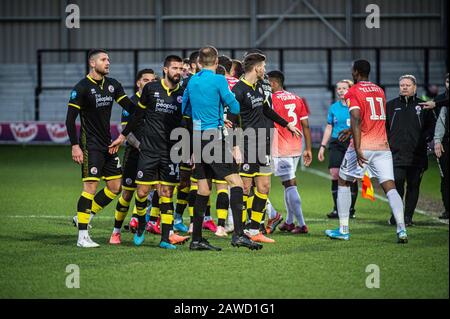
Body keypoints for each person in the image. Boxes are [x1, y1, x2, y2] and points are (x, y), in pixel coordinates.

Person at [182, 45, 262, 251]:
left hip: (198, 138)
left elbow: (186, 110)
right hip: (214, 138)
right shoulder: (219, 80)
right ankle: (238, 234)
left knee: (203, 189)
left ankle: (197, 239)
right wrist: (221, 113)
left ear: (198, 62)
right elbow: (234, 107)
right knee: (236, 183)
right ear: (217, 63)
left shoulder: (192, 80)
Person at [109, 55, 190, 250]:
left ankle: (164, 238)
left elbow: (186, 123)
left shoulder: (185, 93)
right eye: (174, 68)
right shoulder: (151, 89)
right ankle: (141, 224)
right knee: (143, 191)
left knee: (166, 192)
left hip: (171, 151)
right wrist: (123, 136)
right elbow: (138, 116)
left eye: (180, 68)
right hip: (149, 149)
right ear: (165, 69)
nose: (178, 72)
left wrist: (189, 149)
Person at [325, 59, 408, 244]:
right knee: (390, 186)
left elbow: (355, 117)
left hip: (362, 146)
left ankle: (343, 229)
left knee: (343, 181)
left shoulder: (353, 91)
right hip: (382, 146)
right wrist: (350, 130)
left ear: (355, 72)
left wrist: (358, 146)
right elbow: (369, 117)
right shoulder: (379, 90)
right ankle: (401, 229)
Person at [66, 49, 137, 248]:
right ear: (92, 63)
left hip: (108, 145)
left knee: (115, 187)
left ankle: (83, 216)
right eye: (103, 59)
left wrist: (126, 131)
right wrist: (75, 146)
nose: (108, 62)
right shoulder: (81, 88)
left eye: (108, 59)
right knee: (90, 188)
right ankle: (82, 237)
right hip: (91, 146)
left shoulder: (113, 85)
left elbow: (131, 109)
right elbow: (70, 120)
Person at [231, 52, 301, 243]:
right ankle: (242, 227)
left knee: (264, 186)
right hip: (246, 144)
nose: (265, 69)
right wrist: (235, 146)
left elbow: (266, 110)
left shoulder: (259, 87)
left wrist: (287, 124)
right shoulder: (238, 90)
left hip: (263, 144)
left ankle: (254, 230)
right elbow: (231, 121)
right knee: (245, 188)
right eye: (264, 66)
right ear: (256, 68)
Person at [110, 69, 157, 244]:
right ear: (138, 83)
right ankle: (116, 232)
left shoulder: (155, 101)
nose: (149, 83)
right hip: (133, 154)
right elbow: (126, 131)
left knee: (147, 191)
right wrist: (140, 146)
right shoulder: (131, 102)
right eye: (146, 80)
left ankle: (140, 223)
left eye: (153, 80)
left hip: (151, 155)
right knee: (127, 194)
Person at [385, 74, 436, 226]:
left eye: (408, 85)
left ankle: (407, 218)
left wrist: (425, 139)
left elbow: (431, 127)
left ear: (415, 87)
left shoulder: (423, 106)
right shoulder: (390, 106)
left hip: (417, 155)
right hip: (396, 154)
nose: (404, 87)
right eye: (402, 85)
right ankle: (397, 215)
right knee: (397, 185)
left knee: (413, 186)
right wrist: (388, 142)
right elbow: (385, 127)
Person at [267, 70, 312, 234]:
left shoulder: (270, 99)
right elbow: (305, 125)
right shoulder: (297, 98)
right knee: (288, 183)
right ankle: (289, 222)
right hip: (296, 146)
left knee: (289, 184)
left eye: (267, 82)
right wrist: (307, 148)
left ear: (273, 83)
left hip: (280, 147)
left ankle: (302, 224)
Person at [318, 80, 358, 220]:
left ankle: (350, 209)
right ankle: (337, 209)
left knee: (351, 177)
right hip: (336, 142)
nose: (341, 91)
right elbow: (329, 127)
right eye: (339, 88)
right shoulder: (333, 107)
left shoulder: (355, 106)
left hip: (352, 142)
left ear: (350, 90)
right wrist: (322, 146)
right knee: (335, 173)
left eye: (344, 88)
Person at [422, 73, 449, 219]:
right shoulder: (439, 100)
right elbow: (439, 121)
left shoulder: (438, 102)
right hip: (445, 143)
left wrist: (436, 104)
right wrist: (436, 140)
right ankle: (447, 209)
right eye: (447, 81)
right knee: (445, 177)